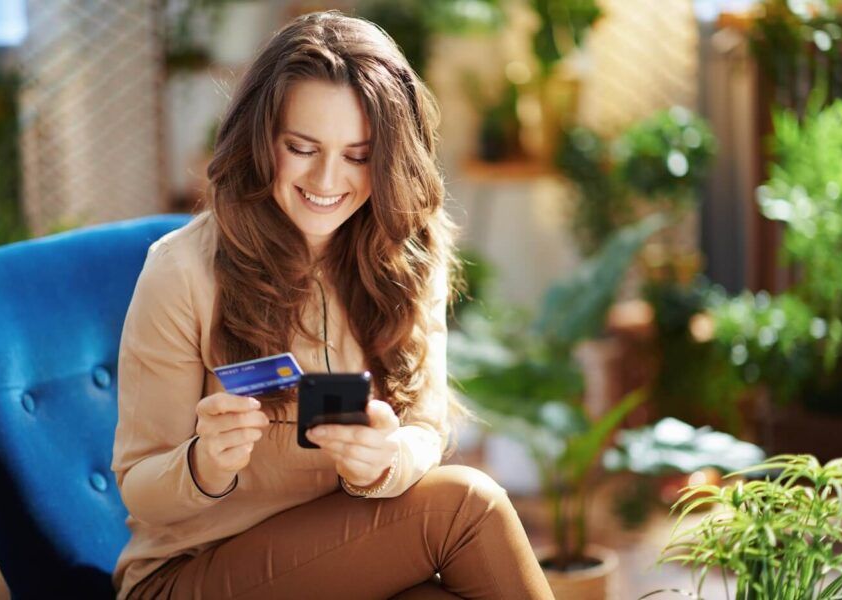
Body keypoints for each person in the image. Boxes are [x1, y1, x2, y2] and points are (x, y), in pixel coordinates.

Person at [111, 10, 555, 600]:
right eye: (302, 147)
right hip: (191, 570)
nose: (327, 178)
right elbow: (138, 486)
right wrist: (204, 465)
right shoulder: (181, 271)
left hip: (347, 548)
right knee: (466, 505)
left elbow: (424, 426)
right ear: (261, 141)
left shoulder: (408, 252)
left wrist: (383, 460)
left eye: (358, 155)